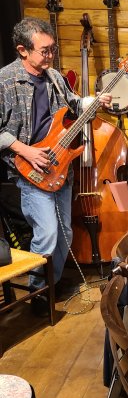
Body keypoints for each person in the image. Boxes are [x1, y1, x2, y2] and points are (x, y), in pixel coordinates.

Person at [0, 17, 111, 312]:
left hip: (61, 166)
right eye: (44, 50)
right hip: (30, 170)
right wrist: (26, 151)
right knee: (48, 233)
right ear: (23, 50)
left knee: (65, 234)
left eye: (53, 49)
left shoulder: (53, 76)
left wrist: (95, 101)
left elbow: (72, 103)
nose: (50, 55)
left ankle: (53, 283)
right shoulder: (4, 81)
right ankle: (38, 293)